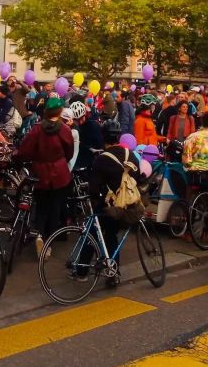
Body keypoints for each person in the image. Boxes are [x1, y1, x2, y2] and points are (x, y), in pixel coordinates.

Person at [84, 119, 143, 286]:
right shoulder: (131, 155)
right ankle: (114, 273)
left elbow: (94, 188)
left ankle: (81, 270)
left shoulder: (101, 159)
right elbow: (136, 179)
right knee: (112, 236)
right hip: (128, 207)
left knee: (94, 231)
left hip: (109, 206)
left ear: (103, 137)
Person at [16, 97, 74, 258]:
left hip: (40, 173)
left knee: (41, 207)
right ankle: (48, 241)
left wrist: (18, 159)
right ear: (60, 111)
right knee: (55, 209)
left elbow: (25, 151)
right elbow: (69, 152)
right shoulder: (65, 130)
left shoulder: (36, 129)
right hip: (60, 174)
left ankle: (39, 235)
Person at [74, 102, 103, 171]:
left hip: (91, 158)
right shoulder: (75, 128)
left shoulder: (93, 125)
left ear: (85, 115)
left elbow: (99, 144)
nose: (80, 122)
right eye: (77, 120)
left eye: (81, 118)